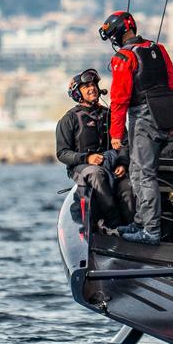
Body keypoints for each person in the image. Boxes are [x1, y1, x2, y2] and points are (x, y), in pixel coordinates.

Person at [99, 11, 173, 245]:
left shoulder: (123, 58)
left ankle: (151, 231)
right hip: (163, 114)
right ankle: (139, 222)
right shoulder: (159, 49)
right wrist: (172, 120)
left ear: (117, 34)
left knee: (144, 175)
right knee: (137, 171)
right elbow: (172, 86)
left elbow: (119, 99)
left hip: (143, 117)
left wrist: (115, 134)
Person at [56, 68, 134, 230]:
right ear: (77, 93)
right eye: (85, 87)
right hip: (81, 167)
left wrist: (122, 163)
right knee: (96, 174)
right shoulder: (69, 119)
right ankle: (113, 223)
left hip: (112, 165)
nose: (91, 88)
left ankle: (131, 227)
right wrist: (87, 159)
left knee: (127, 184)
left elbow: (124, 143)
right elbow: (62, 153)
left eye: (93, 85)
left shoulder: (110, 115)